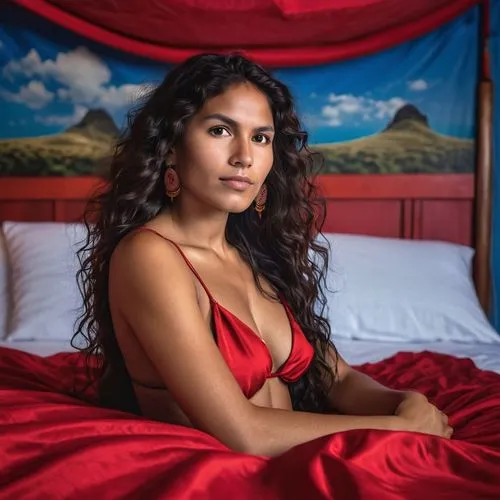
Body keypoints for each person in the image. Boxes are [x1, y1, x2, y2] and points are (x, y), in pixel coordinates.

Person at [73, 53, 453, 457]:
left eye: (261, 137)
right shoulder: (148, 256)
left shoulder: (252, 254)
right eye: (220, 130)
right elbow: (244, 433)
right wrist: (398, 429)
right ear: (170, 147)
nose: (245, 156)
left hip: (305, 464)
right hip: (225, 476)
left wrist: (401, 401)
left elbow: (337, 379)